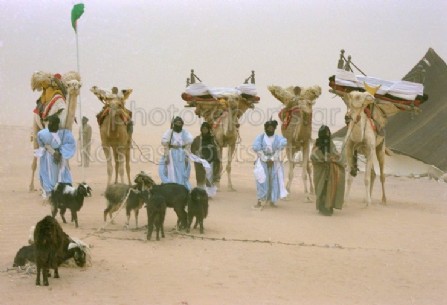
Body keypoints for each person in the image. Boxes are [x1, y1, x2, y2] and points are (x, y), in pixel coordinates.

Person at [34, 115, 76, 200]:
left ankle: (59, 192)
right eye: (49, 123)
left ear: (55, 124)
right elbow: (42, 144)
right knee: (48, 174)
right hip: (47, 157)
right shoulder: (43, 134)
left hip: (59, 158)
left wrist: (59, 152)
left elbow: (70, 144)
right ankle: (50, 192)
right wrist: (53, 151)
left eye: (50, 123)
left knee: (59, 174)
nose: (49, 124)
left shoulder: (64, 134)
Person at [310, 125, 345, 216]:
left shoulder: (331, 143)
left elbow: (336, 154)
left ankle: (328, 207)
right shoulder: (317, 144)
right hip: (320, 172)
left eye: (328, 133)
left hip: (330, 172)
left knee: (329, 189)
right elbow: (313, 155)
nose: (327, 135)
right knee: (321, 189)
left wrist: (334, 158)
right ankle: (322, 207)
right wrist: (324, 159)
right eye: (325, 134)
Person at [252, 119, 288, 208]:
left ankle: (272, 200)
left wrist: (272, 159)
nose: (270, 129)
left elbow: (279, 149)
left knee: (274, 181)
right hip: (262, 162)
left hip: (274, 162)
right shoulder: (260, 138)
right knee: (262, 180)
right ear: (266, 128)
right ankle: (260, 201)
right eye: (269, 128)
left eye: (272, 128)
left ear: (274, 129)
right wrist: (265, 159)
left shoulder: (279, 139)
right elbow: (258, 149)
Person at [158, 116, 193, 190]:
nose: (178, 124)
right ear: (174, 123)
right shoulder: (169, 132)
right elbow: (165, 143)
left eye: (180, 123)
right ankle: (171, 187)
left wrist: (187, 155)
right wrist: (166, 155)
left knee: (181, 171)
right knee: (170, 171)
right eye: (177, 123)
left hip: (181, 154)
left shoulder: (185, 132)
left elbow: (188, 143)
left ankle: (181, 188)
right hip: (171, 154)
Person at [190, 122, 220, 197]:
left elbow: (217, 148)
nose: (204, 130)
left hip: (211, 160)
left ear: (208, 129)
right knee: (201, 176)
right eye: (203, 129)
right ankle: (202, 193)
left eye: (206, 129)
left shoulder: (213, 139)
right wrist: (197, 155)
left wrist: (216, 158)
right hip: (201, 161)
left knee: (210, 177)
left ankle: (209, 194)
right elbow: (193, 149)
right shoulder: (197, 139)